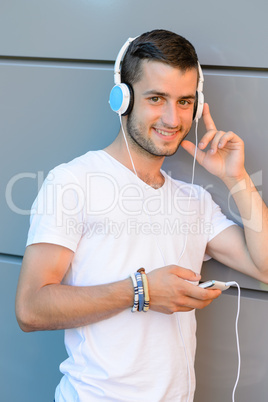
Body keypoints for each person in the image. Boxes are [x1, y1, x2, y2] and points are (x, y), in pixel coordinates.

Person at [15, 29, 268, 402]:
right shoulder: (73, 181)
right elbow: (31, 309)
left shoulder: (193, 201)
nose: (172, 117)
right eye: (156, 98)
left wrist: (237, 178)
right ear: (123, 99)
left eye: (184, 102)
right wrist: (143, 292)